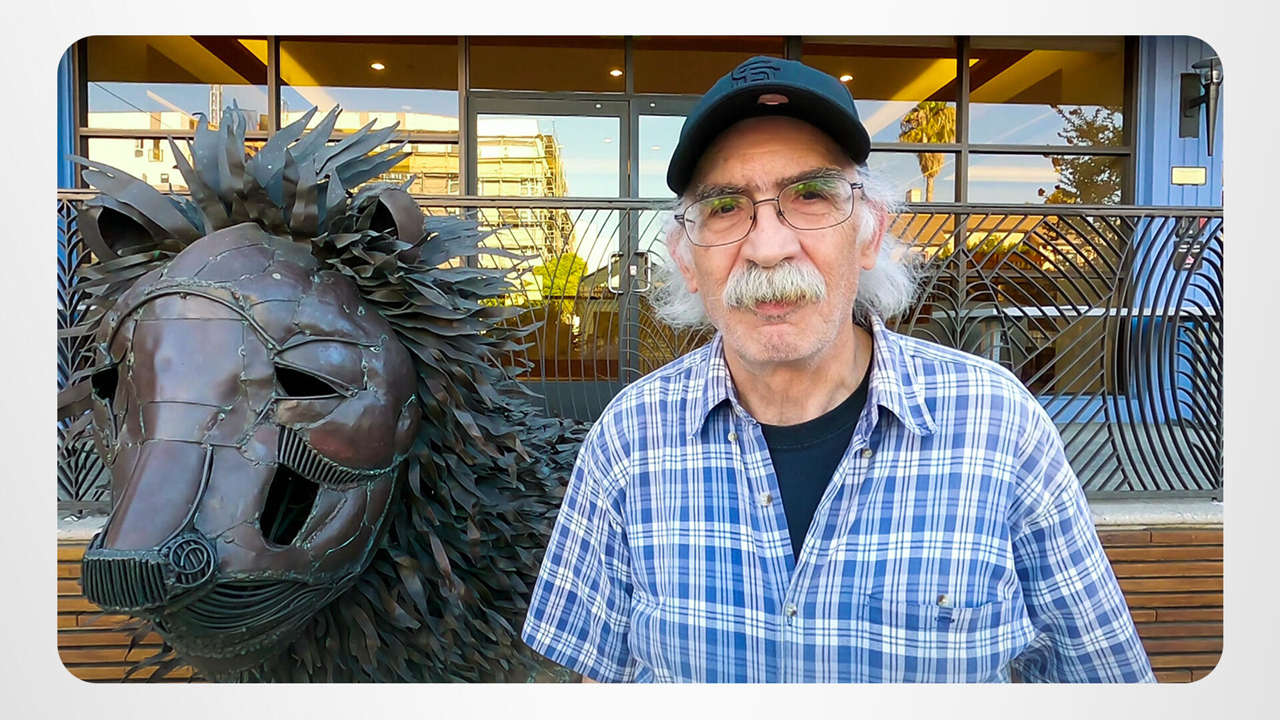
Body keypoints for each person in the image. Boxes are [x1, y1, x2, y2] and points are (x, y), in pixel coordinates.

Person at [521, 56, 1155, 683]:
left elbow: (1103, 681)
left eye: (811, 196)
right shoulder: (628, 437)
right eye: (725, 206)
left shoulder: (1000, 424)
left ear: (870, 235)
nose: (768, 248)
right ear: (687, 260)